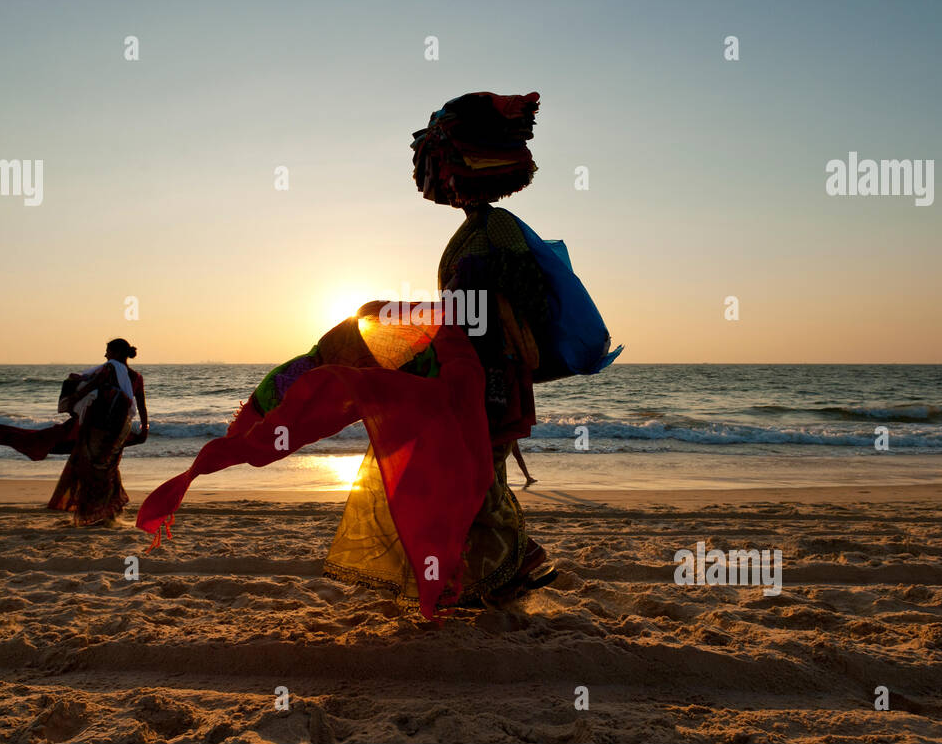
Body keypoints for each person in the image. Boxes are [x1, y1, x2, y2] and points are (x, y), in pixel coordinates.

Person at [136, 93, 619, 619]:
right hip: (477, 371)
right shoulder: (481, 231)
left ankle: (510, 566)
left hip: (486, 375)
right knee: (471, 472)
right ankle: (489, 574)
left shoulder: (494, 230)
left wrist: (438, 340)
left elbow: (496, 304)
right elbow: (471, 309)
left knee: (473, 474)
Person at [47, 338, 148, 526]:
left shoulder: (110, 369)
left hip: (101, 427)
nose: (105, 355)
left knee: (91, 467)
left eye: (108, 351)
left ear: (116, 353)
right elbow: (141, 405)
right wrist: (144, 427)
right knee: (108, 466)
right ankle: (112, 511)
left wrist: (73, 398)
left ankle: (99, 513)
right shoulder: (136, 377)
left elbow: (91, 386)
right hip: (121, 427)